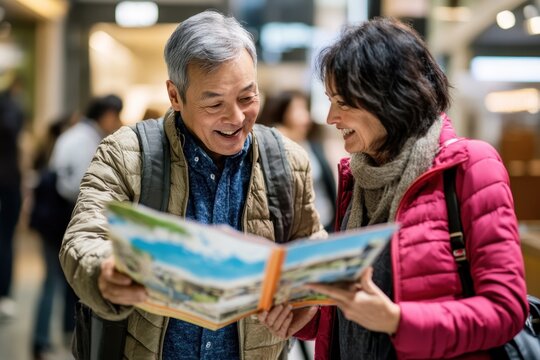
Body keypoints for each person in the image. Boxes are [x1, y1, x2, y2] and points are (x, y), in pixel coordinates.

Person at [59, 10, 324, 360]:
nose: (235, 118)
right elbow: (83, 237)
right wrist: (104, 270)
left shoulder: (288, 159)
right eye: (214, 103)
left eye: (247, 97)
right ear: (175, 95)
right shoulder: (126, 153)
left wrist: (310, 299)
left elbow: (310, 242)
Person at [259, 17, 528, 359]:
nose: (330, 118)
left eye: (342, 102)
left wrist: (398, 321)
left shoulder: (470, 166)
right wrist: (303, 316)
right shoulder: (357, 179)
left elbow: (505, 310)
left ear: (388, 98)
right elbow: (354, 310)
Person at [29, 114, 75, 360]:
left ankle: (42, 340)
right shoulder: (71, 146)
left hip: (47, 227)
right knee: (58, 282)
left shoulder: (49, 153)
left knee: (52, 282)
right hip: (58, 227)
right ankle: (53, 337)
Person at [258, 90, 336, 232]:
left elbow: (327, 183)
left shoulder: (312, 144)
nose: (306, 117)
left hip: (327, 223)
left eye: (306, 109)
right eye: (298, 110)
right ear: (282, 114)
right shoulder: (273, 150)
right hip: (297, 231)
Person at [49, 94, 123, 204]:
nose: (119, 123)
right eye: (116, 117)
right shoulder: (86, 141)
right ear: (108, 115)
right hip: (66, 207)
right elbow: (80, 185)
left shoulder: (80, 133)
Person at [0, 75, 25, 319]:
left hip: (9, 185)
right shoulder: (11, 111)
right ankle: (4, 295)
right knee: (6, 241)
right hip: (8, 185)